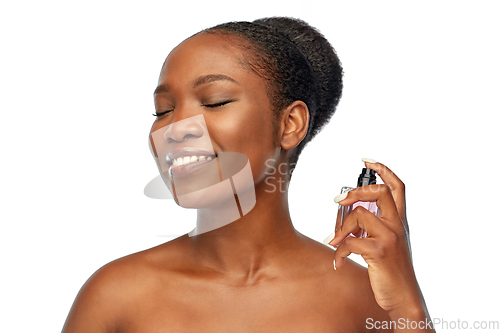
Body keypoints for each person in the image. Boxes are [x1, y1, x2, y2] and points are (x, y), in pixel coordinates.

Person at [62, 17, 434, 332]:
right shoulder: (115, 296)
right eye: (163, 110)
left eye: (215, 101)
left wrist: (408, 309)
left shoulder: (367, 301)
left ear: (290, 124)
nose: (175, 128)